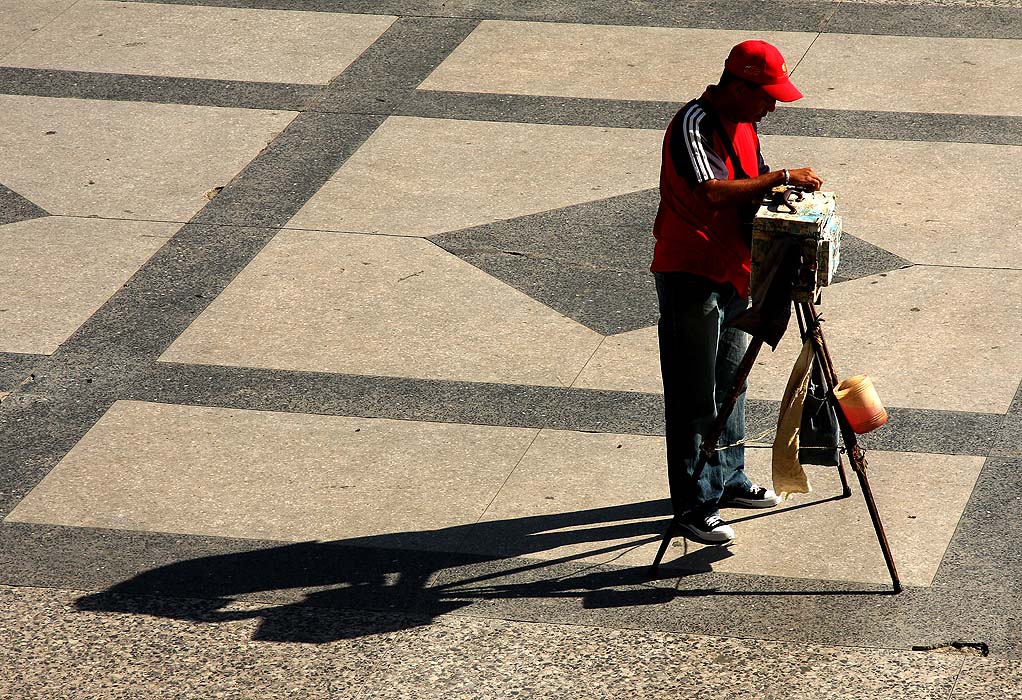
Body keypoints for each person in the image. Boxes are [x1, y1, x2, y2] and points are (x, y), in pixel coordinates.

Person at [651, 40, 823, 545]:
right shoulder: (694, 123)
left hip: (733, 272)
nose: (771, 107)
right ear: (737, 85)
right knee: (693, 393)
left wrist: (781, 197)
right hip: (691, 274)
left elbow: (751, 186)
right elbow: (711, 192)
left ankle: (727, 478)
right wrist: (782, 176)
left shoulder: (747, 125)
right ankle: (693, 503)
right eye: (766, 96)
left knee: (732, 383)